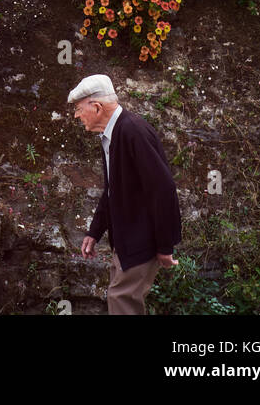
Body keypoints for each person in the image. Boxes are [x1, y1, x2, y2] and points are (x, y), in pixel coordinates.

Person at [69, 73, 181, 315]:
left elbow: (163, 189)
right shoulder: (112, 135)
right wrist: (95, 231)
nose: (76, 115)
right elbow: (112, 189)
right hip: (126, 241)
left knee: (121, 301)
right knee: (119, 301)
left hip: (141, 242)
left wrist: (164, 245)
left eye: (79, 109)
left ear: (97, 107)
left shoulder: (133, 131)